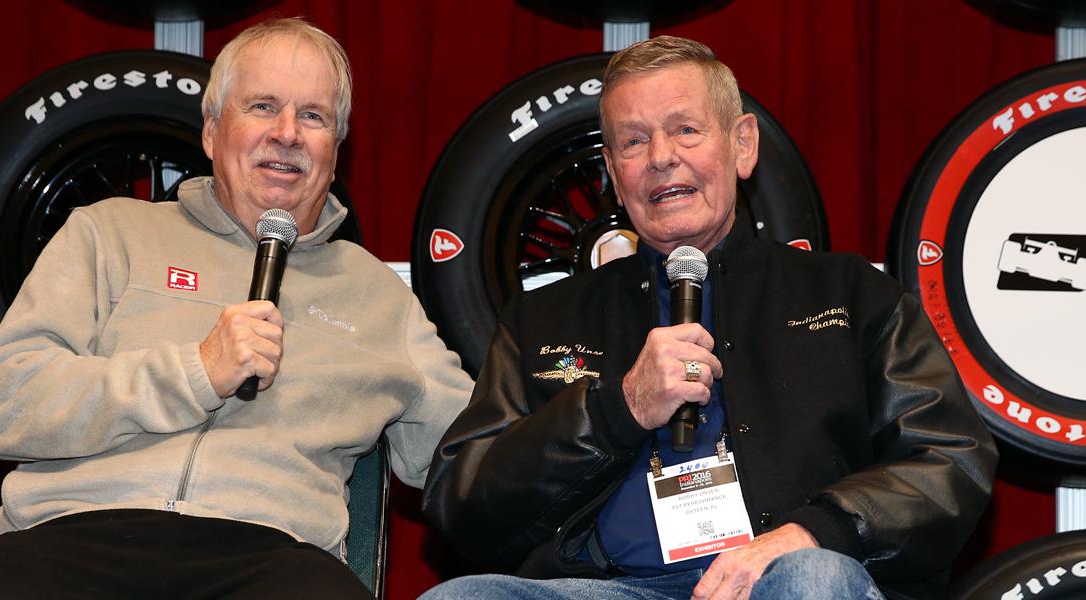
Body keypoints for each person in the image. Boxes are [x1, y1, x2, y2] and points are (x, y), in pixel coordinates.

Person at [421, 36, 997, 600]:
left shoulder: (851, 297)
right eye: (633, 141)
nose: (661, 156)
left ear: (742, 145)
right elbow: (464, 501)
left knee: (813, 578)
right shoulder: (541, 320)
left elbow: (949, 461)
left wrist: (814, 532)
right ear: (615, 176)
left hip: (781, 577)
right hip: (605, 586)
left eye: (685, 130)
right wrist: (618, 409)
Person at [0, 17, 473, 599]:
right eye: (264, 107)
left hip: (271, 558)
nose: (289, 134)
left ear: (335, 150)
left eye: (314, 117)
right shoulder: (110, 233)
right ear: (212, 133)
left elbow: (473, 452)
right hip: (75, 536)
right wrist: (196, 371)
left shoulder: (379, 297)